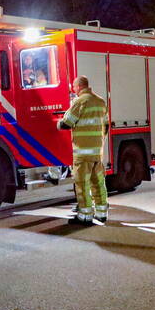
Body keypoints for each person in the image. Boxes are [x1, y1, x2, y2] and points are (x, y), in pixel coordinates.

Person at [58, 75, 110, 224]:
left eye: (74, 87)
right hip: (97, 152)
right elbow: (106, 125)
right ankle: (102, 213)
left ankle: (85, 215)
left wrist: (57, 124)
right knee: (98, 182)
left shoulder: (80, 101)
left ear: (79, 86)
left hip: (82, 153)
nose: (73, 90)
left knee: (82, 184)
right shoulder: (101, 101)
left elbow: (67, 123)